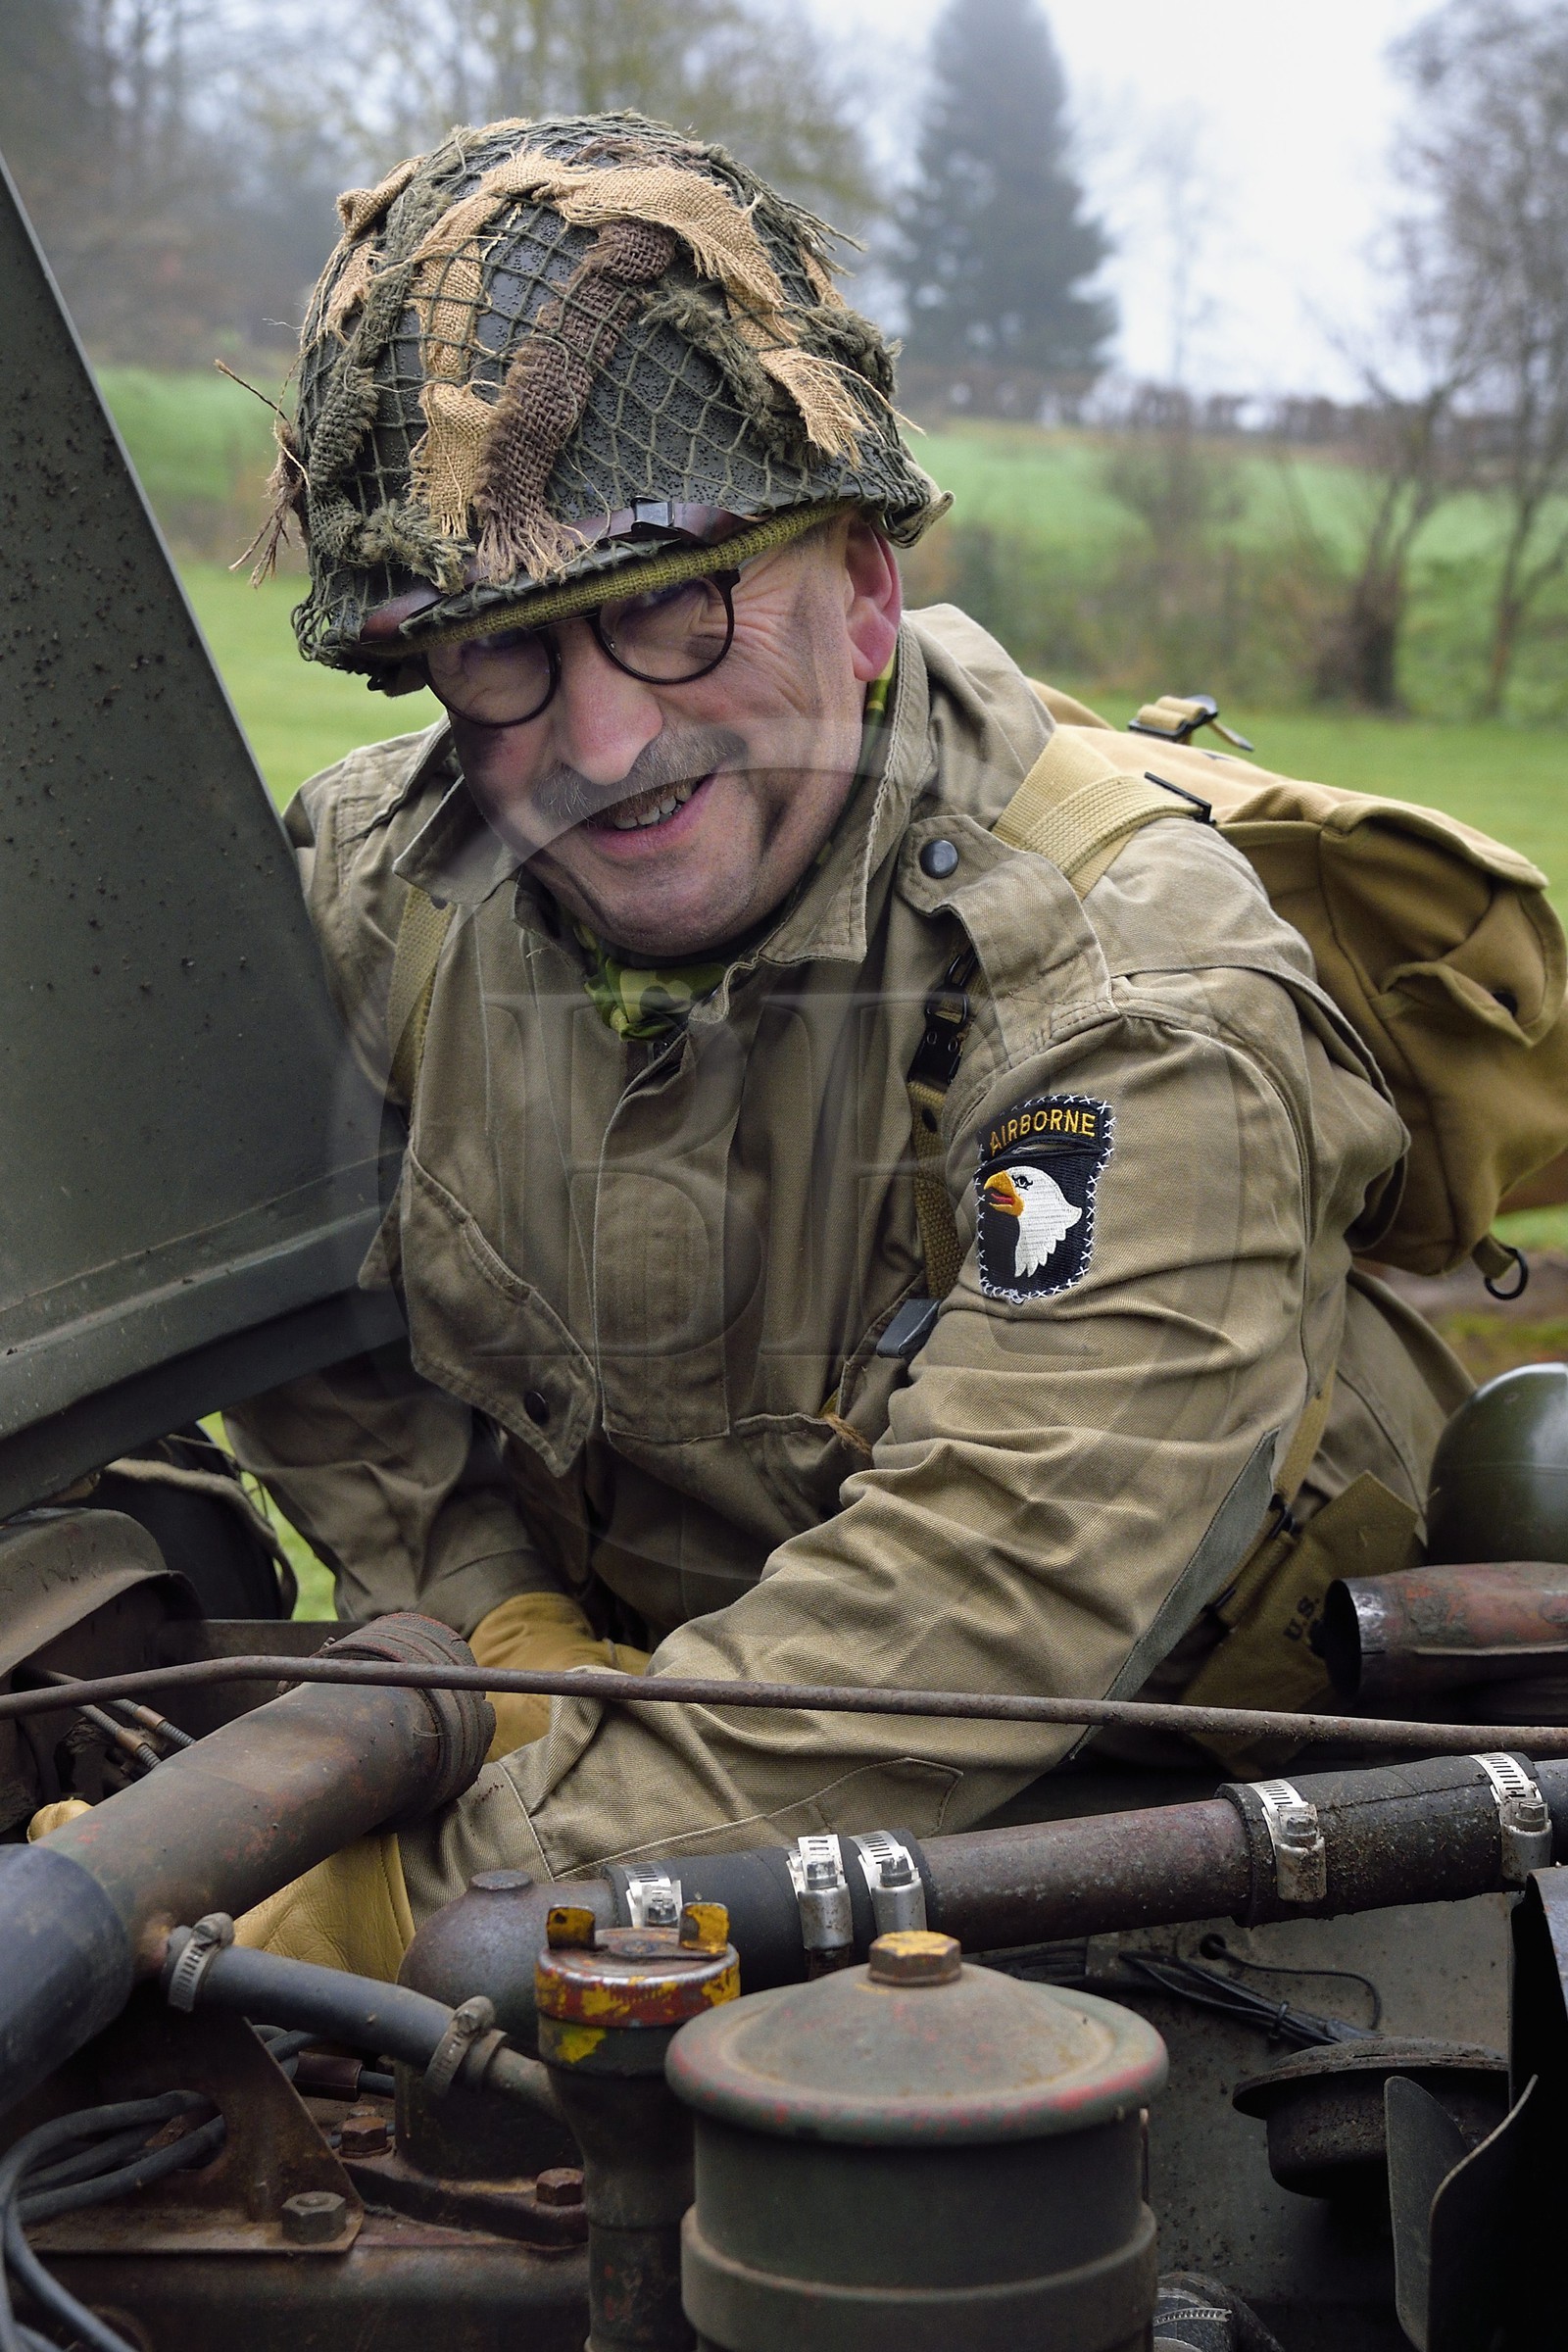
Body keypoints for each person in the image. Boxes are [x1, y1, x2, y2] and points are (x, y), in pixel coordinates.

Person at [202, 112, 1466, 1973]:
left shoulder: (1130, 1004)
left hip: (1183, 1823)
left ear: (867, 593)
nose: (603, 745)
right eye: (502, 651)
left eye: (673, 603)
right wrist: (493, 1629)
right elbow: (283, 1308)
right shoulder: (378, 893)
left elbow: (981, 1604)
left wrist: (431, 1892)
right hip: (656, 1754)